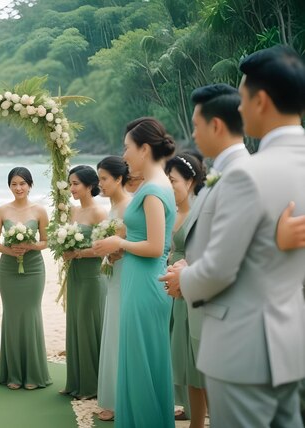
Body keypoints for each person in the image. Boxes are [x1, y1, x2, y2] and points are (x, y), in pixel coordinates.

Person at [169, 45, 305, 428]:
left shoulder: (249, 174)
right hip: (291, 341)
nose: (240, 110)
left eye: (243, 99)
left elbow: (217, 271)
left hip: (243, 345)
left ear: (260, 101)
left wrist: (184, 278)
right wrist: (273, 242)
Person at [92, 117, 176, 428]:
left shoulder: (152, 189)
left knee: (140, 365)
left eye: (127, 148)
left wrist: (119, 242)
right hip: (141, 279)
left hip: (144, 283)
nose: (124, 155)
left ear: (144, 148)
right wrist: (120, 243)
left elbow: (156, 246)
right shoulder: (159, 184)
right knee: (142, 362)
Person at [0, 167, 51, 390]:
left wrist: (30, 246)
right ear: (9, 186)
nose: (18, 188)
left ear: (30, 185)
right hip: (8, 269)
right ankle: (13, 374)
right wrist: (10, 251)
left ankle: (33, 374)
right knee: (12, 315)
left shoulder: (40, 211)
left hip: (34, 268)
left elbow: (46, 241)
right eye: (14, 184)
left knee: (31, 314)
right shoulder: (1, 210)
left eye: (22, 184)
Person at [164, 153, 206, 426]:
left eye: (173, 181)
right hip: (174, 292)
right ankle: (194, 418)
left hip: (194, 290)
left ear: (190, 181)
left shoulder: (201, 213)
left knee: (198, 360)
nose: (169, 187)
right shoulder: (174, 211)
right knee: (183, 358)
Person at [59, 165, 107, 399]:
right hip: (75, 275)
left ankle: (91, 386)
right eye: (70, 184)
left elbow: (103, 250)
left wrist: (77, 253)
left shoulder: (99, 213)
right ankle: (75, 382)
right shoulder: (72, 211)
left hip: (92, 276)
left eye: (76, 183)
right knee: (75, 324)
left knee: (88, 326)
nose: (72, 188)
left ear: (90, 185)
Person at [94, 156, 132, 422]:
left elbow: (135, 241)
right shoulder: (112, 206)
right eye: (99, 179)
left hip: (125, 272)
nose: (100, 184)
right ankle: (111, 398)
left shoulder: (128, 206)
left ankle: (121, 400)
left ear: (119, 179)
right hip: (113, 272)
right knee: (113, 331)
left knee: (120, 333)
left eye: (104, 179)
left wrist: (117, 251)